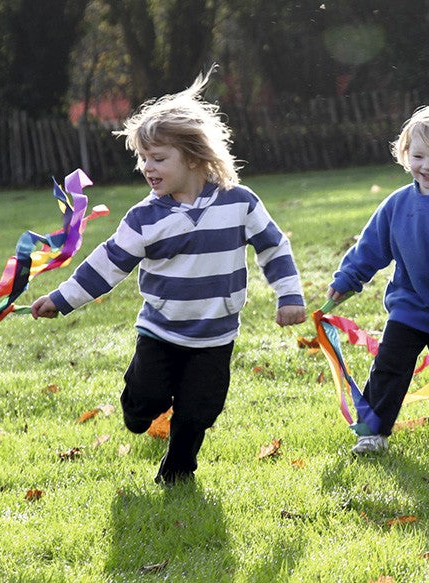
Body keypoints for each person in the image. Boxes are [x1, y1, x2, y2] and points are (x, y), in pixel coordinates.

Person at [31, 66, 306, 483]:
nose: (147, 167)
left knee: (201, 410)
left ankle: (178, 470)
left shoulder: (239, 203)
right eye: (143, 159)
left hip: (216, 334)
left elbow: (273, 246)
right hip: (161, 330)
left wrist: (289, 296)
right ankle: (138, 403)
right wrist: (61, 299)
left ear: (194, 158)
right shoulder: (145, 217)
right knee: (145, 404)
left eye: (158, 158)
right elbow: (108, 264)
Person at [327, 101, 429, 454]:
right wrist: (347, 280)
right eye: (419, 156)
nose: (427, 166)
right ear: (405, 154)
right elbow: (370, 247)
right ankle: (373, 433)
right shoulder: (396, 204)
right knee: (389, 366)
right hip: (410, 305)